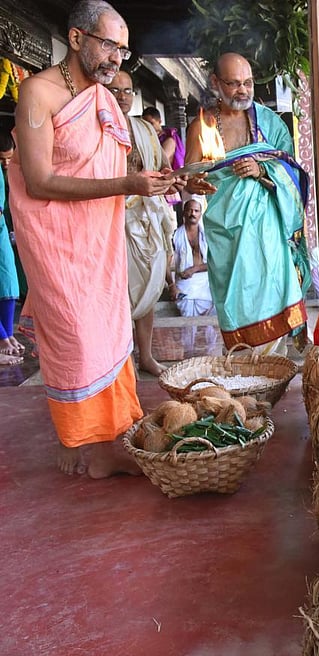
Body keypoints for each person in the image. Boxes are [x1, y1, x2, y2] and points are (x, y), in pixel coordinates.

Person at [9, 0, 177, 476]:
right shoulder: (37, 94)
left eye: (123, 50)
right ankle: (80, 439)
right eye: (108, 45)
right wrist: (127, 185)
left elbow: (121, 171)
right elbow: (40, 181)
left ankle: (111, 441)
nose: (116, 59)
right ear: (77, 37)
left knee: (110, 334)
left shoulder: (104, 101)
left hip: (101, 243)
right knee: (78, 339)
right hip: (58, 245)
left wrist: (166, 181)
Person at [185, 52, 311, 352]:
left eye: (248, 83)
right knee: (236, 302)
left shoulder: (269, 123)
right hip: (225, 231)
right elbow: (190, 175)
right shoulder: (202, 125)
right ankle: (245, 373)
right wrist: (195, 182)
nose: (243, 90)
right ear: (215, 82)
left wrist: (262, 169)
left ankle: (271, 371)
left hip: (267, 232)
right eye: (233, 83)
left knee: (274, 296)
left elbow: (292, 170)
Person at [107, 70, 178, 376]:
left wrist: (176, 179)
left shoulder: (145, 130)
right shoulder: (98, 127)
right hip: (112, 217)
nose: (122, 96)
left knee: (149, 289)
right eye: (114, 90)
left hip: (147, 217)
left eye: (127, 90)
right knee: (118, 291)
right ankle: (122, 363)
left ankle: (146, 356)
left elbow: (164, 167)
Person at [169, 198, 215, 317]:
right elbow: (165, 262)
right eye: (189, 210)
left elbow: (216, 262)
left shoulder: (208, 235)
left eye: (196, 211)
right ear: (184, 212)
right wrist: (171, 285)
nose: (193, 214)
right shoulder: (175, 236)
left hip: (205, 284)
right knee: (187, 327)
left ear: (200, 214)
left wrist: (194, 269)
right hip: (184, 285)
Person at [0, 130, 22, 364]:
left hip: (1, 226)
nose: (6, 163)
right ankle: (1, 339)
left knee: (8, 282)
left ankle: (7, 333)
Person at [141, 105, 185, 171]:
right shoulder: (146, 138)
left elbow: (158, 163)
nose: (147, 127)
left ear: (160, 122)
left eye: (151, 123)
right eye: (145, 124)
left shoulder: (169, 139)